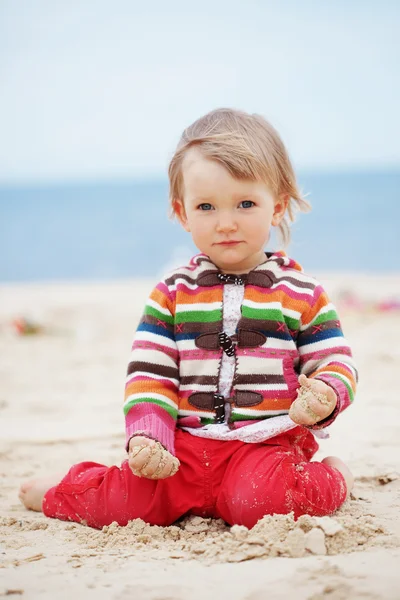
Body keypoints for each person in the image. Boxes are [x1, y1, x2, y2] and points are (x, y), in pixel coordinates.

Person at [19, 108, 357, 530]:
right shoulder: (172, 295)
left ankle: (335, 476)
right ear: (183, 214)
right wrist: (149, 435)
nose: (226, 222)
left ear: (278, 207)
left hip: (264, 447)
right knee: (122, 503)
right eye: (206, 207)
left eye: (246, 203)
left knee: (261, 503)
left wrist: (326, 392)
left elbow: (336, 362)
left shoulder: (302, 293)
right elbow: (150, 376)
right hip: (183, 452)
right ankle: (64, 488)